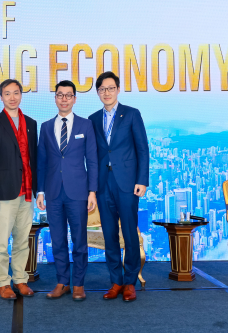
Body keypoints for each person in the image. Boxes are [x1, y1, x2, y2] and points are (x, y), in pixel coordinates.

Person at [88, 71, 149, 302]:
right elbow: (92, 155)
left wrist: (142, 180)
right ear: (98, 92)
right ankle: (116, 281)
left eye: (111, 88)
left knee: (130, 235)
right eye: (102, 89)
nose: (107, 92)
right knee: (110, 235)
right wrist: (92, 187)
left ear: (118, 90)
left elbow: (142, 148)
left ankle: (130, 282)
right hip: (103, 184)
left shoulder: (132, 114)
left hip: (127, 184)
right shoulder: (93, 119)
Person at [36, 80, 98, 301]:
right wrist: (40, 192)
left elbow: (92, 160)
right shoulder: (45, 127)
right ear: (55, 98)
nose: (64, 99)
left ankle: (79, 284)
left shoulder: (85, 125)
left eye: (68, 95)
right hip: (52, 192)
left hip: (78, 192)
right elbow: (41, 162)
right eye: (60, 95)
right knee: (58, 239)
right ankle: (62, 282)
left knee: (79, 240)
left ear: (74, 99)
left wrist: (92, 192)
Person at [0, 79, 38, 300]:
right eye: (8, 94)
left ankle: (20, 279)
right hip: (4, 192)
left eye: (16, 93)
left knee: (22, 239)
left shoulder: (31, 124)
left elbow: (34, 158)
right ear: (1, 97)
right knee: (0, 242)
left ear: (21, 95)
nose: (12, 97)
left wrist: (38, 190)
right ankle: (2, 282)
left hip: (26, 192)